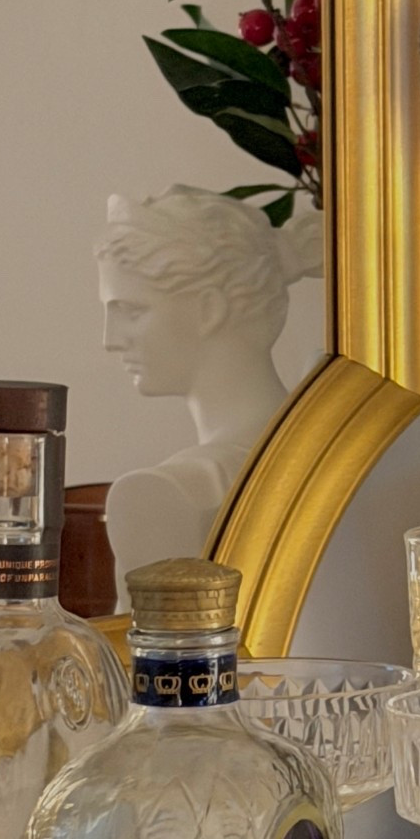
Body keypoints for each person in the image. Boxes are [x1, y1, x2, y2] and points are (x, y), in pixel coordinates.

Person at [96, 186, 321, 601]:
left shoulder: (158, 494)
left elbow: (145, 664)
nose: (110, 340)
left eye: (131, 311)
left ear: (209, 308)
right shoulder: (324, 448)